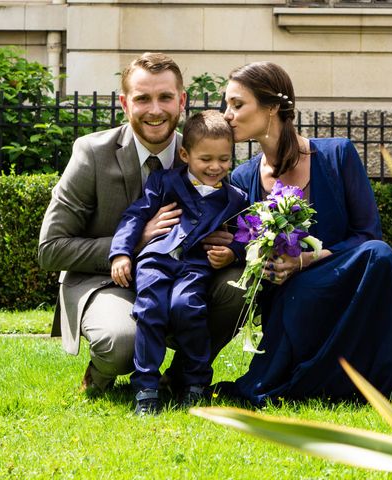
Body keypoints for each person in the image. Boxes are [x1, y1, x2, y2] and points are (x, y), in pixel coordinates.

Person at [220, 61, 392, 406]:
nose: (227, 115)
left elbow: (367, 234)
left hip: (339, 274)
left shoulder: (337, 154)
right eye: (226, 105)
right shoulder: (242, 177)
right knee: (301, 292)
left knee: (379, 255)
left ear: (272, 107)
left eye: (237, 104)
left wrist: (306, 260)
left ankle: (387, 376)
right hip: (288, 294)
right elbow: (243, 246)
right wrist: (262, 262)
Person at [38, 52, 244, 395]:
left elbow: (229, 215)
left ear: (181, 100)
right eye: (142, 98)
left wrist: (224, 243)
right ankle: (103, 372)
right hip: (105, 281)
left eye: (165, 97)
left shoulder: (205, 152)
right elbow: (50, 248)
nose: (155, 109)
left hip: (184, 277)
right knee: (122, 343)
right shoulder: (90, 152)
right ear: (124, 103)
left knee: (238, 286)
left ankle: (182, 377)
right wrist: (135, 243)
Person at [109, 110, 248, 414]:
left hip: (195, 267)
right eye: (206, 159)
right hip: (155, 261)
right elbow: (135, 216)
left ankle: (195, 382)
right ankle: (146, 387)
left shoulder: (235, 198)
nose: (215, 167)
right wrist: (121, 252)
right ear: (185, 154)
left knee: (187, 308)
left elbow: (246, 235)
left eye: (224, 159)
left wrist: (233, 253)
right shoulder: (163, 182)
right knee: (150, 309)